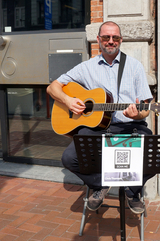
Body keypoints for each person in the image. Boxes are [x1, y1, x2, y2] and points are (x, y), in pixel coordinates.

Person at [46, 21, 154, 214]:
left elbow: (146, 106)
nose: (111, 41)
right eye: (106, 37)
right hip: (97, 128)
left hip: (130, 127)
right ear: (98, 39)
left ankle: (132, 190)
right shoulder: (86, 68)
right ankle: (101, 184)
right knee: (70, 158)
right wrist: (68, 101)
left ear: (121, 40)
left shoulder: (135, 66)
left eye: (115, 38)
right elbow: (52, 87)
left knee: (154, 157)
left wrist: (138, 113)